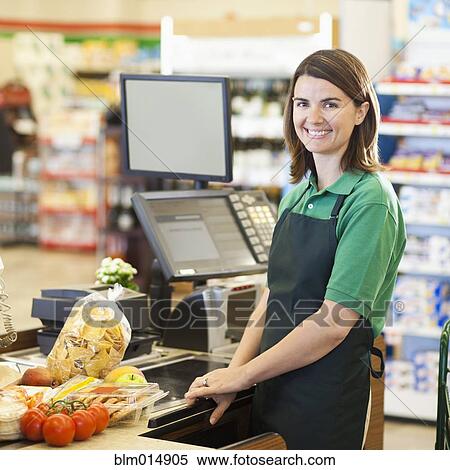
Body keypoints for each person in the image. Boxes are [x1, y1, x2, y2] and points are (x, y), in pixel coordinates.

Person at [185, 49, 407, 450]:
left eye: (331, 104)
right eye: (302, 103)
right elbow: (271, 300)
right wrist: (233, 375)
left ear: (360, 112)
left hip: (327, 397)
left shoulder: (369, 200)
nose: (314, 118)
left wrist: (244, 375)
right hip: (272, 385)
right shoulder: (296, 194)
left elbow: (334, 323)